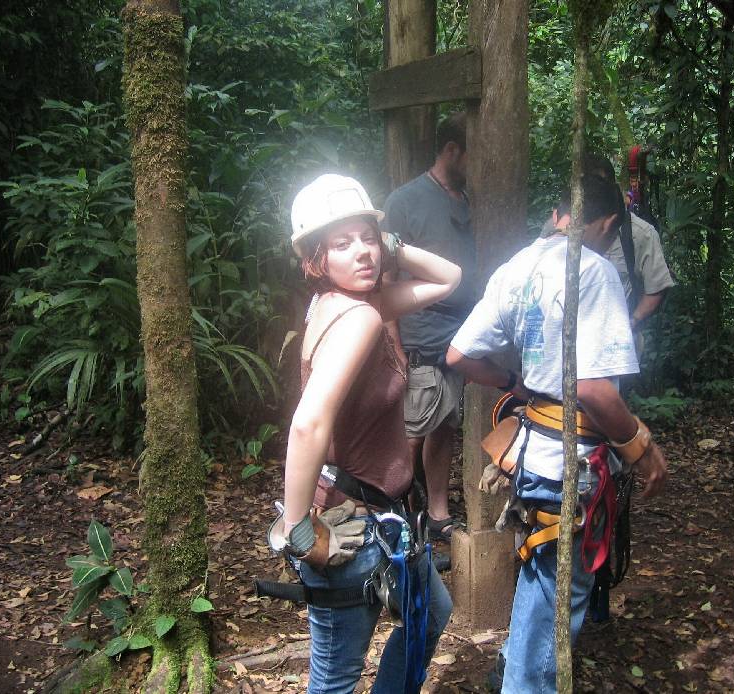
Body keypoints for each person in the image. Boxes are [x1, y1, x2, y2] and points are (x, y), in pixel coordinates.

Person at [446, 174, 668, 694]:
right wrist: (642, 447)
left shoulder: (519, 267)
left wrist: (514, 384)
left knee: (541, 583)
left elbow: (458, 355)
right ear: (610, 222)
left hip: (532, 458)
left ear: (556, 212)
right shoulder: (593, 270)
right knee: (552, 608)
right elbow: (593, 388)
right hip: (572, 463)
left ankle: (511, 670)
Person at [274, 173, 459, 694]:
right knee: (335, 679)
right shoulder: (358, 318)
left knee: (430, 614)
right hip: (352, 526)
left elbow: (449, 278)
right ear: (316, 259)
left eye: (368, 237)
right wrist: (297, 530)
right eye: (342, 243)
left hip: (384, 519)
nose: (362, 252)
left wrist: (394, 244)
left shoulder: (355, 305)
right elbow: (309, 422)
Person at [381, 112, 477, 542]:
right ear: (451, 151)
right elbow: (387, 279)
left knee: (444, 427)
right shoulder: (405, 199)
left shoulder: (466, 201)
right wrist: (393, 342)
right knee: (412, 431)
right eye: (473, 155)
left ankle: (437, 511)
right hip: (420, 336)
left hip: (458, 338)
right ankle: (390, 513)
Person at [541, 153, 674, 344]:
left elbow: (657, 286)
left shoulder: (640, 233)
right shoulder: (555, 229)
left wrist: (631, 323)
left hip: (615, 345)